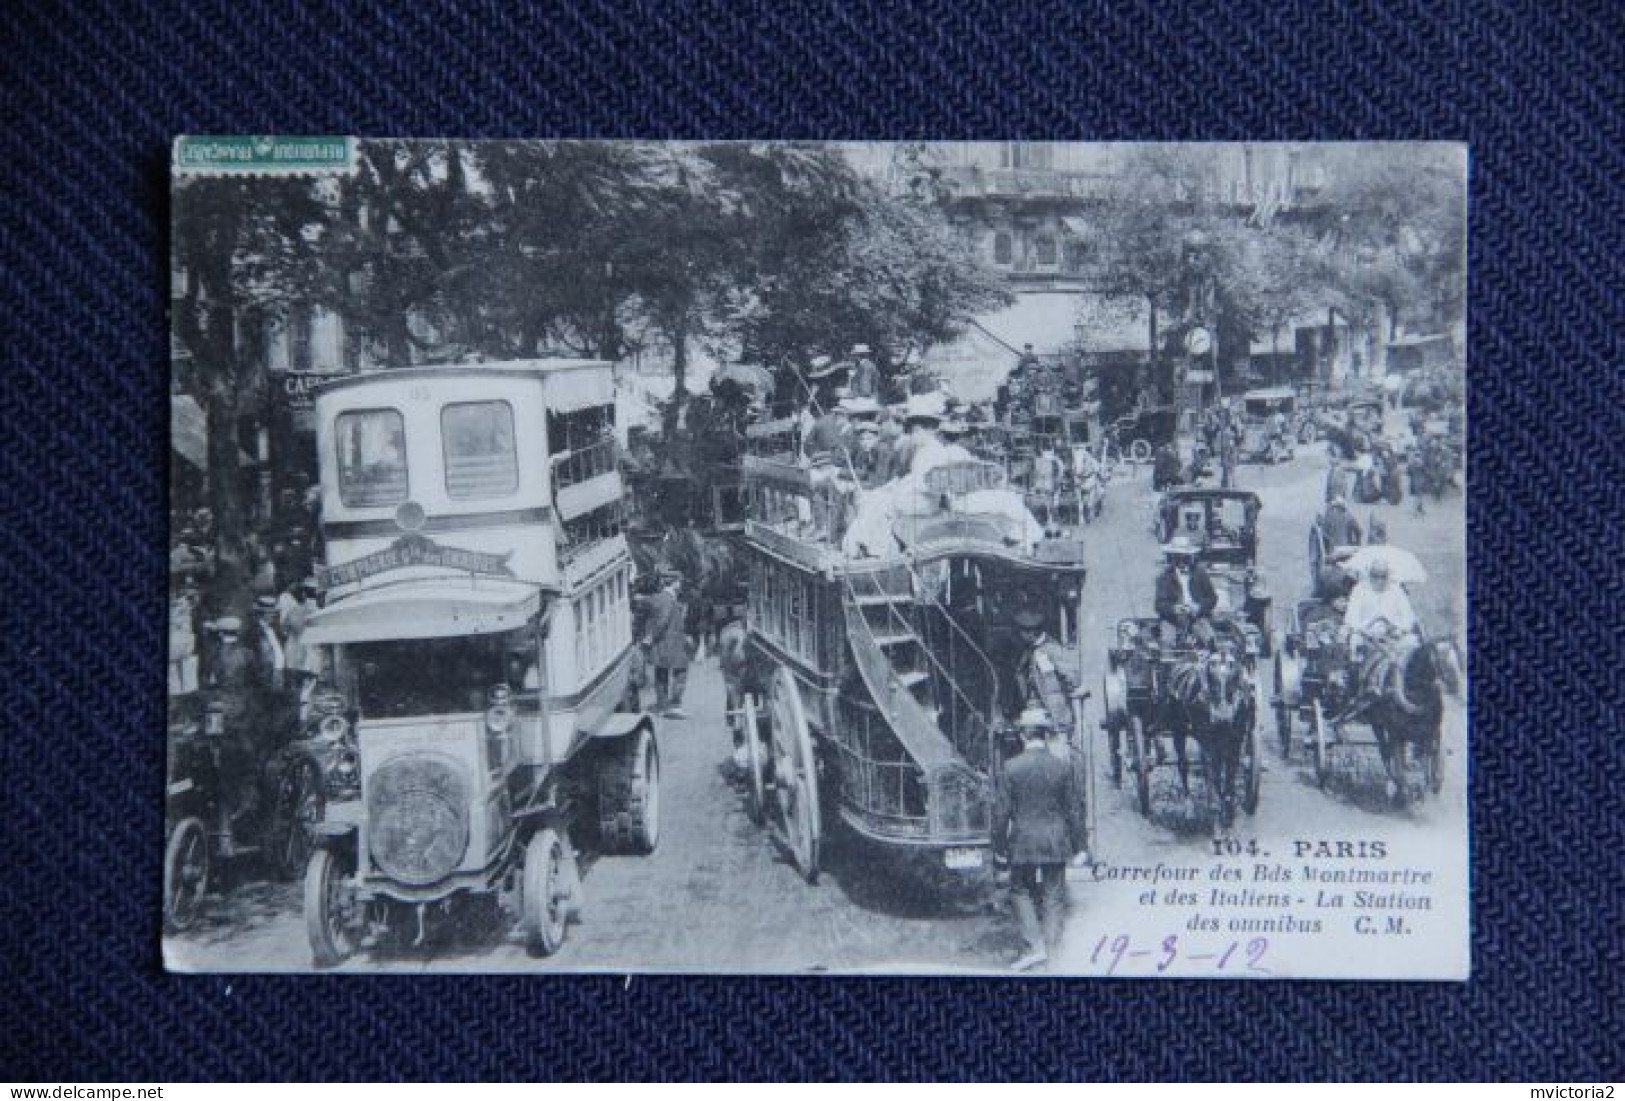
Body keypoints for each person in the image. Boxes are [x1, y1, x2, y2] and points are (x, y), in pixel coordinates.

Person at [995, 705, 1087, 971]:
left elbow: (1002, 812)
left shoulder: (1010, 768)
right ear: (1046, 736)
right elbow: (1074, 809)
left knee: (1019, 890)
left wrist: (999, 848)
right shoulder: (1061, 767)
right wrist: (1081, 847)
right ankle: (1054, 952)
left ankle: (1034, 947)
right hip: (1055, 840)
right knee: (1054, 894)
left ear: (1023, 736)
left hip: (1022, 840)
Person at [1014, 608, 1077, 727]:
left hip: (1055, 710)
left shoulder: (1051, 648)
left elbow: (1071, 674)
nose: (1019, 636)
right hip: (1037, 707)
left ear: (1030, 632)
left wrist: (1071, 689)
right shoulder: (1029, 650)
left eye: (1021, 632)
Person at [1342, 558, 1417, 657]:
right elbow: (1352, 618)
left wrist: (1396, 627)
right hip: (1367, 636)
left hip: (1394, 636)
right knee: (1356, 641)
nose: (1380, 580)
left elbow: (1408, 617)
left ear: (1388, 576)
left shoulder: (1397, 590)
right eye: (1376, 576)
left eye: (1383, 576)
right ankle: (1358, 671)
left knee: (1412, 641)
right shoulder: (1360, 590)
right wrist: (1366, 627)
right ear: (1370, 575)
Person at [642, 571, 692, 718]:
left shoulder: (658, 598)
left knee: (661, 673)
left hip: (662, 644)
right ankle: (674, 706)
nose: (681, 584)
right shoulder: (668, 600)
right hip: (672, 644)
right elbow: (663, 620)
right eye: (679, 581)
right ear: (674, 583)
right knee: (681, 672)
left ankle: (661, 706)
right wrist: (651, 637)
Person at [1154, 537, 1217, 647]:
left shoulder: (1201, 574)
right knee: (1167, 644)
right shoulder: (1164, 577)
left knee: (1210, 641)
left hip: (1197, 618)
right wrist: (1174, 608)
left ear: (1190, 557)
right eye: (1178, 557)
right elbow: (1159, 605)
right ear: (1172, 557)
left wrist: (1199, 607)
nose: (1181, 561)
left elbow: (1212, 598)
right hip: (1172, 620)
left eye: (1184, 557)